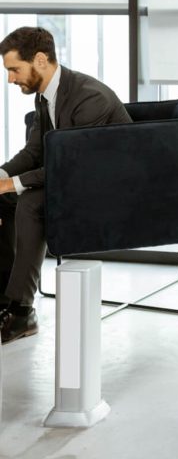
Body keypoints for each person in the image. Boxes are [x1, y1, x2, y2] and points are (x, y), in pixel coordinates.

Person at [0, 26, 131, 343]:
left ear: (40, 60)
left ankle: (21, 311)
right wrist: (1, 175)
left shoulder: (89, 98)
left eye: (14, 70)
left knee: (31, 202)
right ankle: (6, 299)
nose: (10, 79)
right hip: (72, 179)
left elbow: (72, 167)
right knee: (4, 199)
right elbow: (36, 151)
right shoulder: (46, 95)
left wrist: (11, 184)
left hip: (108, 189)